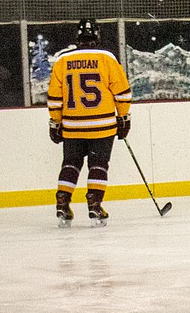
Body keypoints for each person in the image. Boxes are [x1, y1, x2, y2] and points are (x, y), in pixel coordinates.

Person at [47, 19, 132, 228]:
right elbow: (122, 92)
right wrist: (123, 117)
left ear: (78, 36)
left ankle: (62, 202)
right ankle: (94, 204)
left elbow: (54, 98)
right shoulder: (106, 58)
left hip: (73, 126)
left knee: (70, 163)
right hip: (102, 125)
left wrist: (56, 122)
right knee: (99, 164)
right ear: (98, 36)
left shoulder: (62, 61)